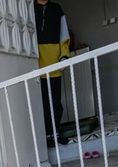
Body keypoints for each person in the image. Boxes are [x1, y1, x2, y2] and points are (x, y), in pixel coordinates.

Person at [34, 0, 70, 146]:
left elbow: (64, 34)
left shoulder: (56, 9)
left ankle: (55, 134)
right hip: (36, 65)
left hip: (54, 64)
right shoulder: (29, 9)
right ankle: (46, 137)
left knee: (55, 103)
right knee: (41, 104)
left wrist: (64, 56)